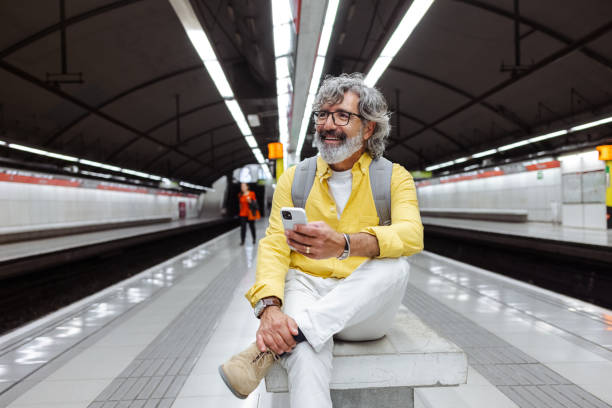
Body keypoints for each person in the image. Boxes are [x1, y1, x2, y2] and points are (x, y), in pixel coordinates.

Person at [219, 73, 423, 407]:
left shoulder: (393, 177)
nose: (328, 125)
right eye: (323, 115)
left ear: (368, 128)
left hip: (366, 308)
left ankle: (279, 340)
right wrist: (269, 307)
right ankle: (297, 332)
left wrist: (345, 244)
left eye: (342, 115)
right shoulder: (296, 178)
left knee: (395, 266)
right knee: (304, 353)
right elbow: (274, 244)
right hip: (308, 287)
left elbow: (411, 235)